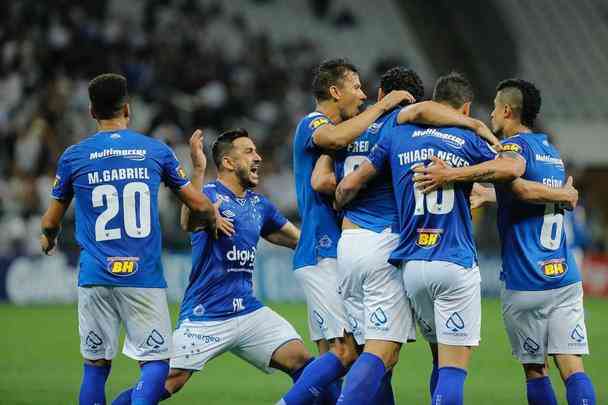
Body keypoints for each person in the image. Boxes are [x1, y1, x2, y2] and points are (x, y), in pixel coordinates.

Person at [310, 67, 501, 405]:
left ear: (382, 94)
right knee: (427, 358)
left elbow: (341, 185)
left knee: (369, 352)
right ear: (465, 109)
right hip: (426, 252)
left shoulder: (389, 134)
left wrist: (340, 201)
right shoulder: (460, 136)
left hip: (367, 249)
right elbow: (511, 169)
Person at [40, 73, 217, 405]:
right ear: (128, 109)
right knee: (155, 364)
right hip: (142, 276)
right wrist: (210, 209)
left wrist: (48, 239)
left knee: (95, 367)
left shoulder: (74, 156)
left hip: (94, 275)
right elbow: (198, 205)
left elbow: (51, 221)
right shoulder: (155, 151)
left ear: (92, 112)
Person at [423, 79, 596, 405]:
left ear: (506, 110)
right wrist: (489, 195)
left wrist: (453, 175)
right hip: (564, 277)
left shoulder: (515, 147)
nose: (489, 115)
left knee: (536, 370)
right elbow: (524, 193)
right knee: (573, 368)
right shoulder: (551, 153)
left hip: (526, 280)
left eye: (494, 108)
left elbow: (514, 176)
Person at [113, 128, 314, 404]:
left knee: (304, 362)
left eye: (256, 151)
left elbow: (296, 239)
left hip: (247, 310)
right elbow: (189, 222)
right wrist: (198, 173)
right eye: (249, 152)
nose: (258, 157)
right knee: (169, 382)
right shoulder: (208, 194)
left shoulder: (259, 205)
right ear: (229, 162)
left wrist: (331, 245)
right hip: (205, 315)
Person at [280, 58, 415, 405]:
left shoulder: (349, 132)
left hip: (338, 250)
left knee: (355, 352)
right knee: (345, 351)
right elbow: (335, 144)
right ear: (335, 91)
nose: (363, 94)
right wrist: (384, 106)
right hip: (322, 250)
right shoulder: (314, 124)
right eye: (356, 87)